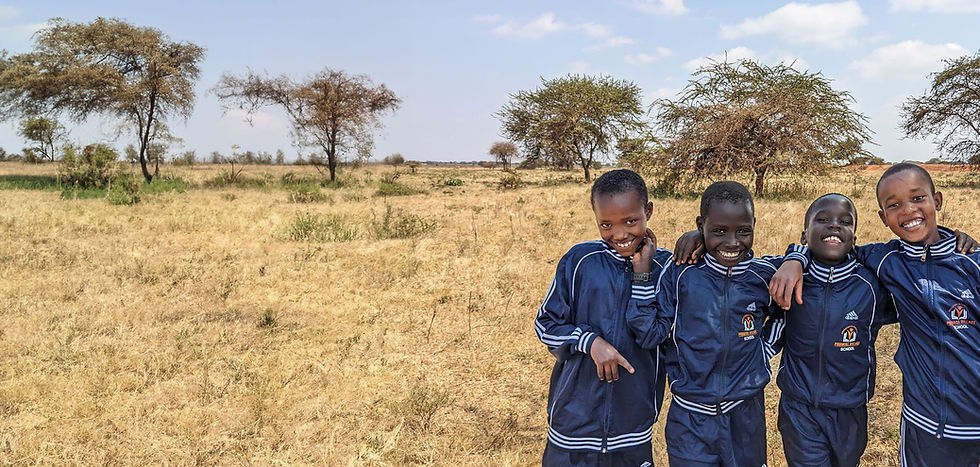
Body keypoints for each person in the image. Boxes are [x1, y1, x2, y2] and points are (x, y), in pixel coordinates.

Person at [771, 163, 980, 466]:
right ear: (883, 217)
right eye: (894, 204)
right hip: (925, 423)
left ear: (937, 201)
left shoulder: (971, 261)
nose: (908, 210)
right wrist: (795, 257)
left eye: (918, 198)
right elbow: (834, 250)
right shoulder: (884, 260)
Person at [627, 180, 782, 466]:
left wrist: (765, 350)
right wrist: (641, 276)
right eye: (719, 231)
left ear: (755, 224)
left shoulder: (765, 274)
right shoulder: (681, 275)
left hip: (745, 415)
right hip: (690, 419)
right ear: (701, 225)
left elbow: (788, 310)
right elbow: (650, 333)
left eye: (743, 231)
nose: (732, 242)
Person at [534, 169, 673, 466]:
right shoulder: (579, 261)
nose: (620, 234)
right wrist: (590, 342)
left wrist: (643, 277)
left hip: (632, 426)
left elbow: (652, 336)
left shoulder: (667, 269)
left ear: (648, 211)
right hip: (573, 425)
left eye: (631, 221)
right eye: (606, 224)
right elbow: (546, 324)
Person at [766, 193, 897, 466]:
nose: (834, 225)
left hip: (850, 409)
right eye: (823, 219)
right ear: (804, 235)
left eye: (845, 222)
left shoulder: (871, 287)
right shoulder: (786, 278)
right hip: (799, 408)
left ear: (854, 238)